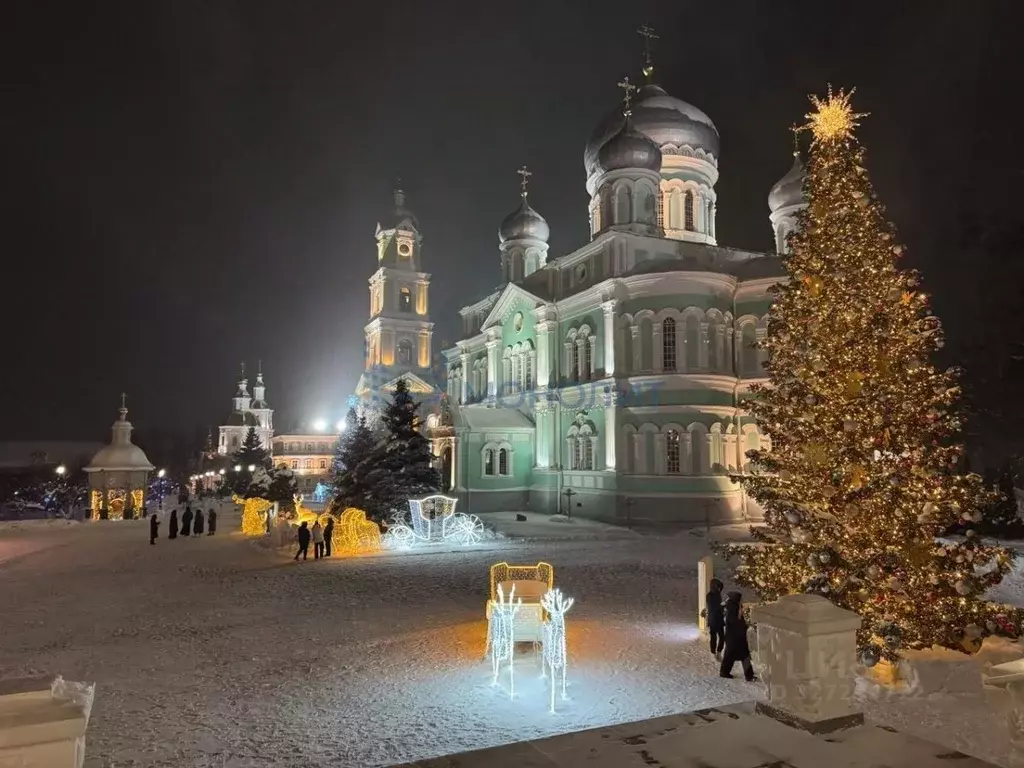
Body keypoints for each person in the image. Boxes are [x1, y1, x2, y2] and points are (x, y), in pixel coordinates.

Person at [720, 591, 756, 682]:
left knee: (732, 656)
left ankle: (725, 672)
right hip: (735, 638)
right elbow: (735, 623)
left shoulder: (734, 607)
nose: (741, 600)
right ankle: (748, 676)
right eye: (740, 599)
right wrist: (745, 626)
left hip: (735, 637)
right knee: (740, 656)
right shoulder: (733, 609)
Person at [706, 578, 725, 661]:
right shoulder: (709, 596)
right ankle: (713, 653)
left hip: (719, 618)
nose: (718, 588)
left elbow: (722, 586)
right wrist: (722, 606)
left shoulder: (718, 594)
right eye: (717, 586)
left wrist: (722, 607)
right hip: (713, 619)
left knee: (722, 637)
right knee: (713, 637)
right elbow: (713, 607)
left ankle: (719, 652)